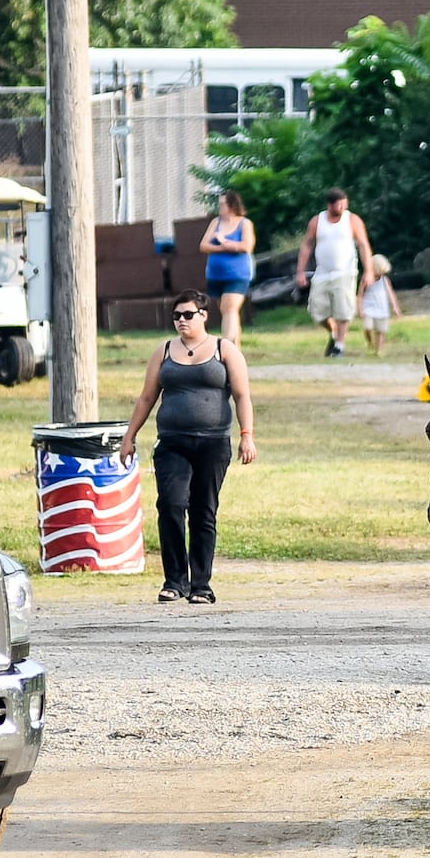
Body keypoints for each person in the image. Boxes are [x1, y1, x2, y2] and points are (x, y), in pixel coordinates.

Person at [120, 290, 258, 604]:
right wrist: (130, 437)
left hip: (212, 443)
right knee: (170, 506)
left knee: (203, 511)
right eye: (176, 316)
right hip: (172, 443)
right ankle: (174, 581)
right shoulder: (165, 351)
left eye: (188, 315)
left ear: (204, 315)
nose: (181, 321)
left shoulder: (225, 349)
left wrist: (246, 434)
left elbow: (242, 396)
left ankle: (201, 585)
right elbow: (146, 397)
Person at [295, 187, 374, 357]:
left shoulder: (352, 220)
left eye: (345, 204)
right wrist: (300, 271)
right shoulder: (317, 221)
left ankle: (339, 345)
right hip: (322, 273)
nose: (343, 208)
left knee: (343, 310)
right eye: (340, 205)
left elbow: (363, 245)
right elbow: (307, 245)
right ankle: (333, 332)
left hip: (345, 272)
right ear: (330, 205)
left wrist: (368, 271)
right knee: (317, 310)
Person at [201, 190, 256, 342]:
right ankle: (235, 351)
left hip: (237, 274)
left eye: (223, 203)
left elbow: (246, 246)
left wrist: (223, 241)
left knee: (229, 307)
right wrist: (223, 247)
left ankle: (226, 346)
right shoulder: (215, 223)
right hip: (216, 275)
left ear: (232, 205)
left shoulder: (245, 224)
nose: (220, 206)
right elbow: (204, 246)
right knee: (227, 312)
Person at [357, 253, 401, 356]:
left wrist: (395, 306)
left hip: (381, 308)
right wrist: (360, 308)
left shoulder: (385, 280)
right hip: (368, 307)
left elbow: (391, 294)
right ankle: (370, 343)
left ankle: (378, 350)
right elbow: (360, 294)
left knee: (380, 330)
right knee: (367, 327)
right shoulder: (366, 279)